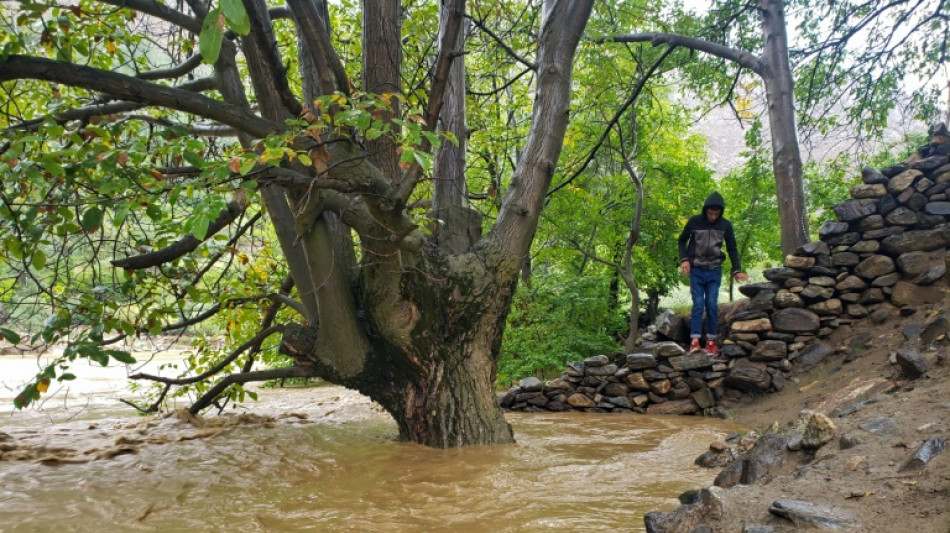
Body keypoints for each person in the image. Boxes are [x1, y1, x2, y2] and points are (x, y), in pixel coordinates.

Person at [677, 192, 748, 355]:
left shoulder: (725, 225)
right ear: (705, 210)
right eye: (710, 213)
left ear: (720, 213)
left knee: (711, 304)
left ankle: (711, 341)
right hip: (696, 270)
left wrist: (736, 269)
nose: (713, 217)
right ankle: (694, 341)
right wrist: (684, 260)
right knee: (698, 305)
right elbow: (682, 240)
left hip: (714, 270)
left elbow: (732, 248)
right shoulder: (695, 221)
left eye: (716, 214)